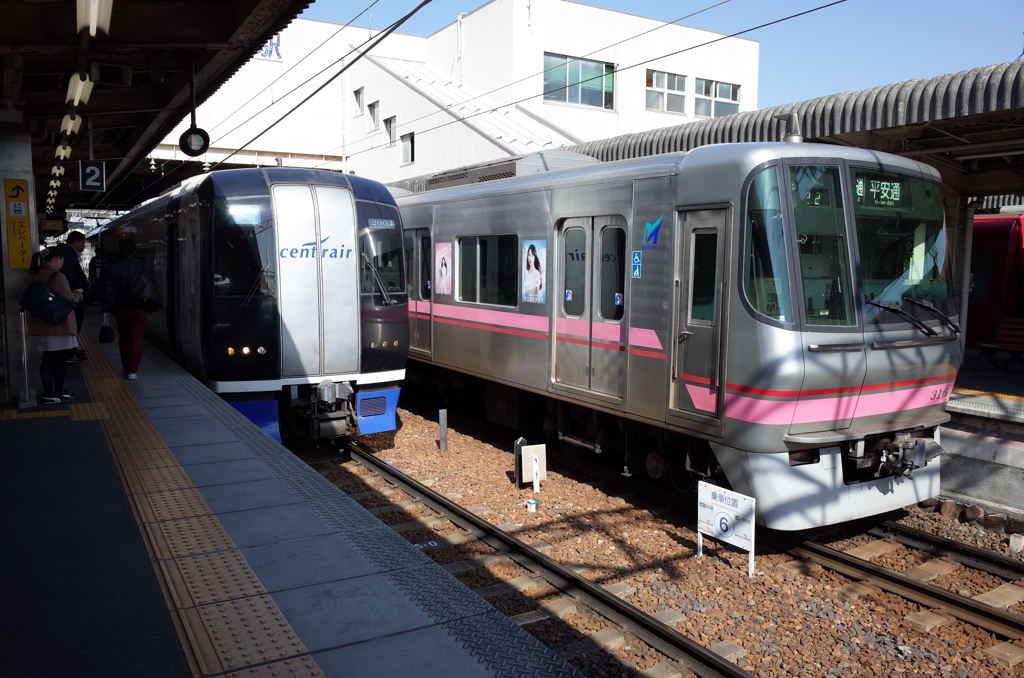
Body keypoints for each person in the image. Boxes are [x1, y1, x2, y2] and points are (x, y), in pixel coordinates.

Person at [25, 249, 85, 404]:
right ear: (57, 258)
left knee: (47, 359)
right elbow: (70, 298)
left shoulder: (35, 273)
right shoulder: (58, 276)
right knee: (59, 360)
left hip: (42, 323)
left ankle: (48, 393)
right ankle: (57, 392)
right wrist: (78, 293)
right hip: (58, 325)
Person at [101, 238, 150, 380]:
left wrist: (105, 309)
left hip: (120, 309)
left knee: (124, 338)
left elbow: (108, 290)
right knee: (136, 339)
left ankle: (125, 367)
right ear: (134, 251)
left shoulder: (112, 267)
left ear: (120, 250)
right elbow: (148, 284)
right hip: (139, 308)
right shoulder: (142, 266)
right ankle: (132, 371)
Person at [53, 231, 89, 362]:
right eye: (82, 243)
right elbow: (70, 277)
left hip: (68, 297)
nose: (84, 246)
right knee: (73, 325)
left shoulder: (65, 252)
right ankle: (68, 352)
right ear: (76, 242)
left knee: (72, 325)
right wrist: (77, 294)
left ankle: (71, 349)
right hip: (71, 298)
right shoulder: (68, 255)